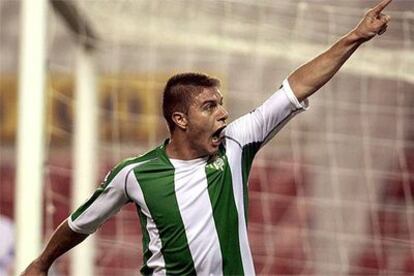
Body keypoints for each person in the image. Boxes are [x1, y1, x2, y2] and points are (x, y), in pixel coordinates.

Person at [21, 0, 393, 275]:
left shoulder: (235, 143)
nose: (224, 113)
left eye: (222, 104)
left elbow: (296, 87)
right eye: (210, 106)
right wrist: (41, 263)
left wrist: (355, 37)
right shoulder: (135, 174)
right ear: (180, 118)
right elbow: (79, 223)